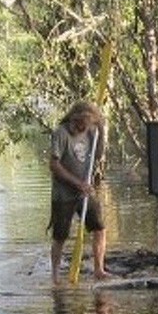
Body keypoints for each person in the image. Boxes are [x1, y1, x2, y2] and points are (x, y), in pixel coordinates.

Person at [49, 100, 110, 284]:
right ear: (73, 119)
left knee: (99, 228)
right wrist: (77, 183)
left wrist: (100, 127)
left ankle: (99, 269)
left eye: (85, 124)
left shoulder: (92, 132)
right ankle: (55, 276)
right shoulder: (60, 133)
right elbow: (54, 165)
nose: (81, 128)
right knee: (60, 235)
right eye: (78, 124)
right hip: (64, 194)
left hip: (85, 192)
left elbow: (98, 154)